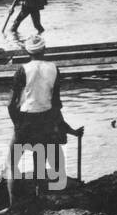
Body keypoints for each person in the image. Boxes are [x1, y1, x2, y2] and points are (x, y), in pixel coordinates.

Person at [7, 37, 79, 206]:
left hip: (25, 120)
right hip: (46, 119)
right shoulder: (54, 69)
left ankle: (13, 205)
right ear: (44, 49)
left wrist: (17, 124)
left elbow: (11, 104)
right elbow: (56, 104)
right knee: (40, 159)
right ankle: (40, 198)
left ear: (27, 51)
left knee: (11, 163)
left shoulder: (22, 70)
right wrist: (61, 126)